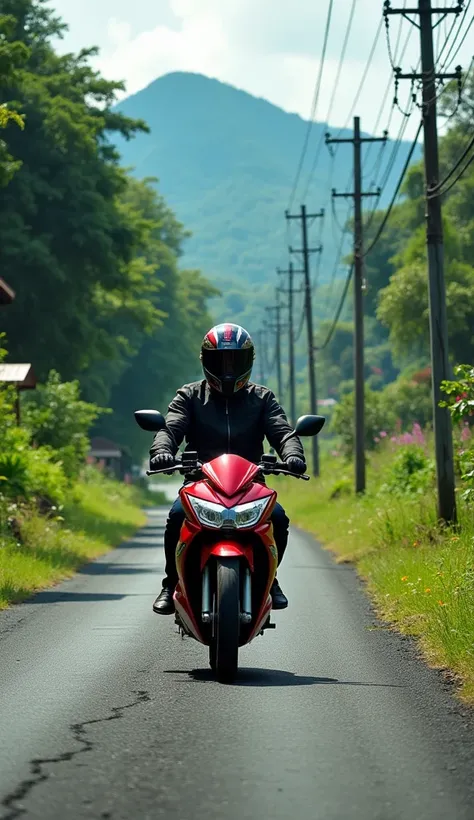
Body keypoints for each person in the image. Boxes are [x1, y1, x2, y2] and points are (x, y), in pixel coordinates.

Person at [150, 323, 306, 615]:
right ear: (205, 361)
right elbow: (170, 428)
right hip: (200, 483)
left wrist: (293, 454)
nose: (228, 369)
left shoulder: (263, 399)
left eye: (235, 360)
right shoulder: (189, 396)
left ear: (248, 361)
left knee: (280, 518)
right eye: (221, 360)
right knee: (175, 516)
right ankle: (170, 583)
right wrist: (161, 451)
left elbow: (283, 432)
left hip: (251, 486)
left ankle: (270, 579)